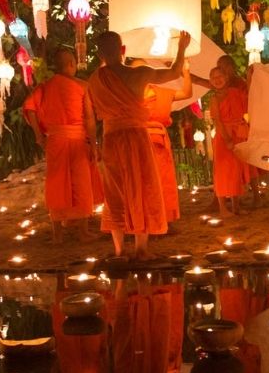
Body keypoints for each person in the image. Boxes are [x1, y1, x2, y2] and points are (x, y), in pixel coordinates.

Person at [87, 29, 189, 259]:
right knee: (142, 187)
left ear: (99, 54)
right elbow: (174, 72)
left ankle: (120, 250)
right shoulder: (138, 74)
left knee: (115, 192)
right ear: (122, 50)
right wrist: (181, 47)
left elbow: (90, 116)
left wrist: (93, 145)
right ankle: (141, 249)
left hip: (111, 138)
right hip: (135, 137)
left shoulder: (94, 81)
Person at [23, 47, 101, 244]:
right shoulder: (82, 86)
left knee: (57, 184)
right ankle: (83, 232)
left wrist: (39, 136)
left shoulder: (45, 86)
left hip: (55, 140)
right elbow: (90, 119)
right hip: (76, 140)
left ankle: (57, 235)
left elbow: (30, 108)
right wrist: (94, 144)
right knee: (81, 184)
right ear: (71, 64)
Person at [139, 58, 194, 227]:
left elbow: (186, 93)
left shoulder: (161, 92)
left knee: (163, 180)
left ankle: (163, 220)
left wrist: (186, 71)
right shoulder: (127, 93)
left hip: (159, 141)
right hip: (138, 141)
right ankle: (146, 221)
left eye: (144, 70)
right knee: (143, 183)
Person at [207, 56, 255, 216]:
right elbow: (218, 121)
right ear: (210, 81)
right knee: (222, 171)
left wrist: (249, 77)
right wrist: (227, 140)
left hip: (238, 134)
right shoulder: (214, 98)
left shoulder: (235, 91)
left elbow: (248, 97)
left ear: (227, 77)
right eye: (213, 78)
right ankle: (222, 208)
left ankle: (236, 207)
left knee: (236, 171)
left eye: (220, 76)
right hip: (224, 136)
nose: (217, 80)